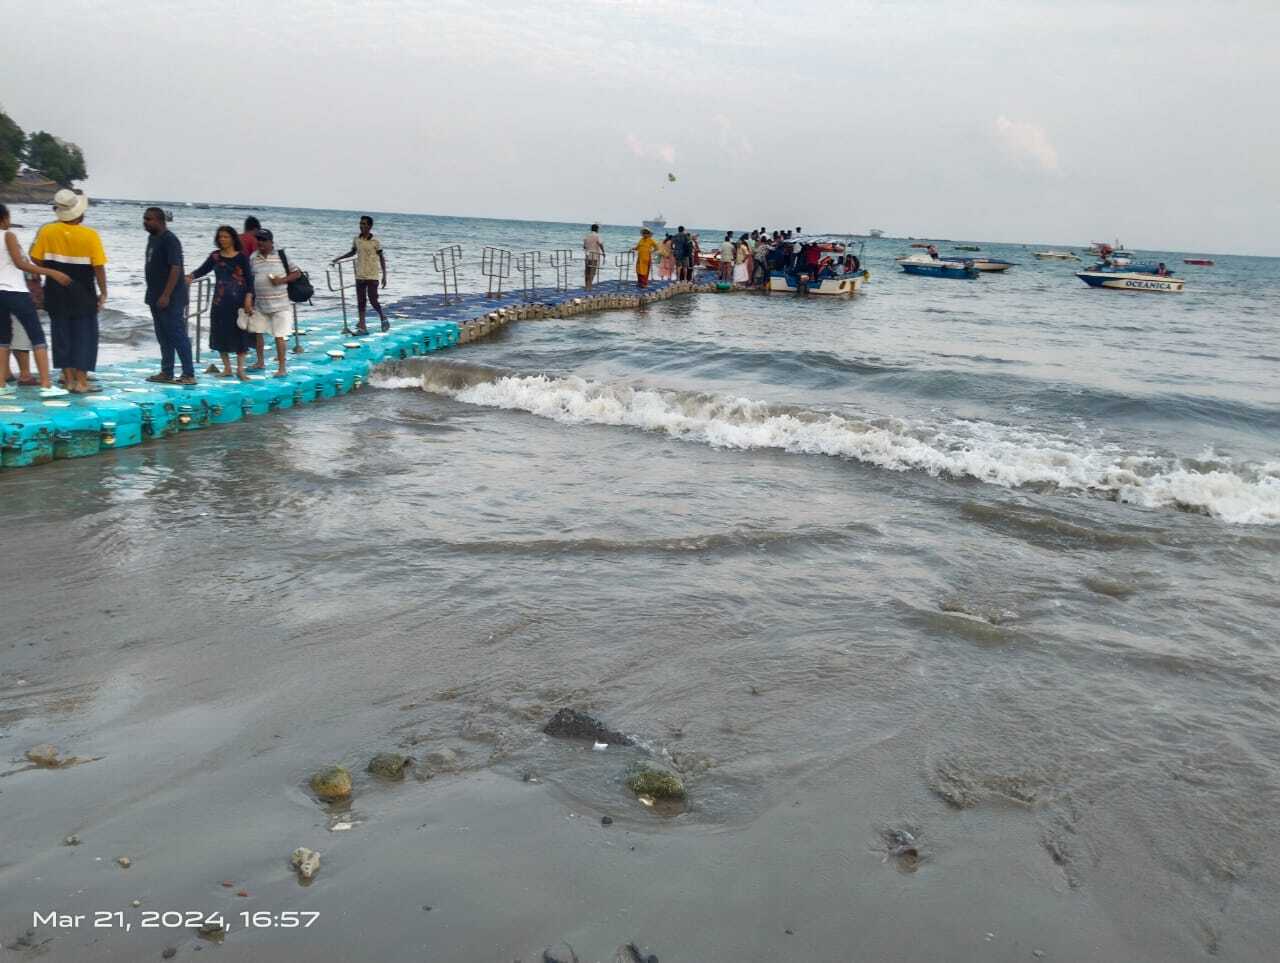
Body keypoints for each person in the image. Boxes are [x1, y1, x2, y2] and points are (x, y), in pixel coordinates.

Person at [29, 189, 107, 395]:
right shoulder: (90, 235)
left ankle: (69, 380)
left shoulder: (47, 231)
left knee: (61, 336)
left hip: (55, 292)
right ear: (79, 213)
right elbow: (98, 267)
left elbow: (34, 259)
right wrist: (103, 292)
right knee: (84, 337)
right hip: (83, 293)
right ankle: (82, 382)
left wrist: (50, 268)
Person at [0, 203, 69, 390]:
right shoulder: (8, 235)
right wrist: (51, 272)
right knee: (37, 336)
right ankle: (46, 384)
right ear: (4, 218)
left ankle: (1, 386)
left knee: (3, 339)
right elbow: (20, 263)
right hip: (15, 291)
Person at [187, 225, 255, 380]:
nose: (222, 239)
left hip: (239, 301)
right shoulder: (215, 256)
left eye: (226, 237)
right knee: (219, 333)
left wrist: (249, 297)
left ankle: (240, 369)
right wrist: (190, 276)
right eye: (220, 237)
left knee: (240, 333)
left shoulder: (241, 257)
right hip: (219, 301)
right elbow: (202, 270)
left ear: (233, 238)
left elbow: (249, 279)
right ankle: (227, 368)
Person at [142, 207, 194, 384]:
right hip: (154, 295)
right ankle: (167, 371)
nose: (145, 222)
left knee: (177, 334)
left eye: (149, 219)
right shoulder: (152, 239)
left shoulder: (170, 240)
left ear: (160, 221)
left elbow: (175, 268)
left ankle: (189, 373)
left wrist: (166, 295)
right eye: (145, 219)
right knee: (162, 336)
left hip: (171, 297)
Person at [248, 229, 300, 377]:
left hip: (280, 304)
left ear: (271, 242)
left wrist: (281, 280)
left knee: (279, 335)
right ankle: (260, 362)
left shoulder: (281, 255)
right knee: (258, 333)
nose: (260, 242)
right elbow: (250, 278)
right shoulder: (253, 257)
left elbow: (296, 273)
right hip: (260, 303)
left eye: (263, 240)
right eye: (258, 239)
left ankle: (282, 368)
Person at [331, 215, 388, 334]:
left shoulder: (375, 241)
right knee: (361, 302)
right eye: (361, 224)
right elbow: (352, 252)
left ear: (370, 226)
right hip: (360, 275)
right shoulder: (357, 239)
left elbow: (381, 258)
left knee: (373, 300)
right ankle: (363, 326)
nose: (361, 226)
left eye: (364, 224)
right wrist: (338, 258)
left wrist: (384, 275)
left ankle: (383, 317)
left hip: (372, 275)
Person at [582, 224, 604, 290]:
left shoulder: (587, 236)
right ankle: (589, 286)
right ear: (597, 229)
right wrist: (603, 252)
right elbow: (600, 244)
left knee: (587, 271)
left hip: (587, 255)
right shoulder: (597, 236)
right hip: (594, 255)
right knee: (593, 271)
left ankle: (586, 285)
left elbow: (584, 246)